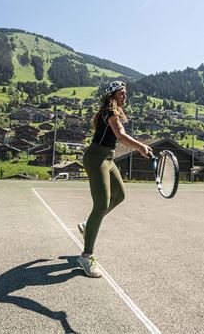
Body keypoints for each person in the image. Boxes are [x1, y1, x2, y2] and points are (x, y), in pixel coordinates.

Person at [77, 80, 152, 278]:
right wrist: (140, 146)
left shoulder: (115, 111)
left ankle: (88, 225)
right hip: (96, 158)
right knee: (101, 204)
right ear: (112, 95)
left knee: (119, 195)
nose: (124, 96)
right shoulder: (110, 111)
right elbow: (120, 135)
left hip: (108, 158)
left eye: (125, 93)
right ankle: (86, 256)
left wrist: (140, 146)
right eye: (121, 93)